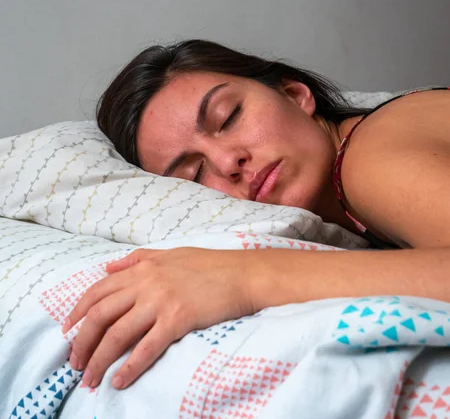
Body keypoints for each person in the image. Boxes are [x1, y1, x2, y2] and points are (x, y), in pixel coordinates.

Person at [62, 39, 450, 390]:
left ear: (296, 94)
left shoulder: (367, 158)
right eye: (194, 174)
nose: (228, 160)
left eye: (228, 117)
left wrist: (245, 277)